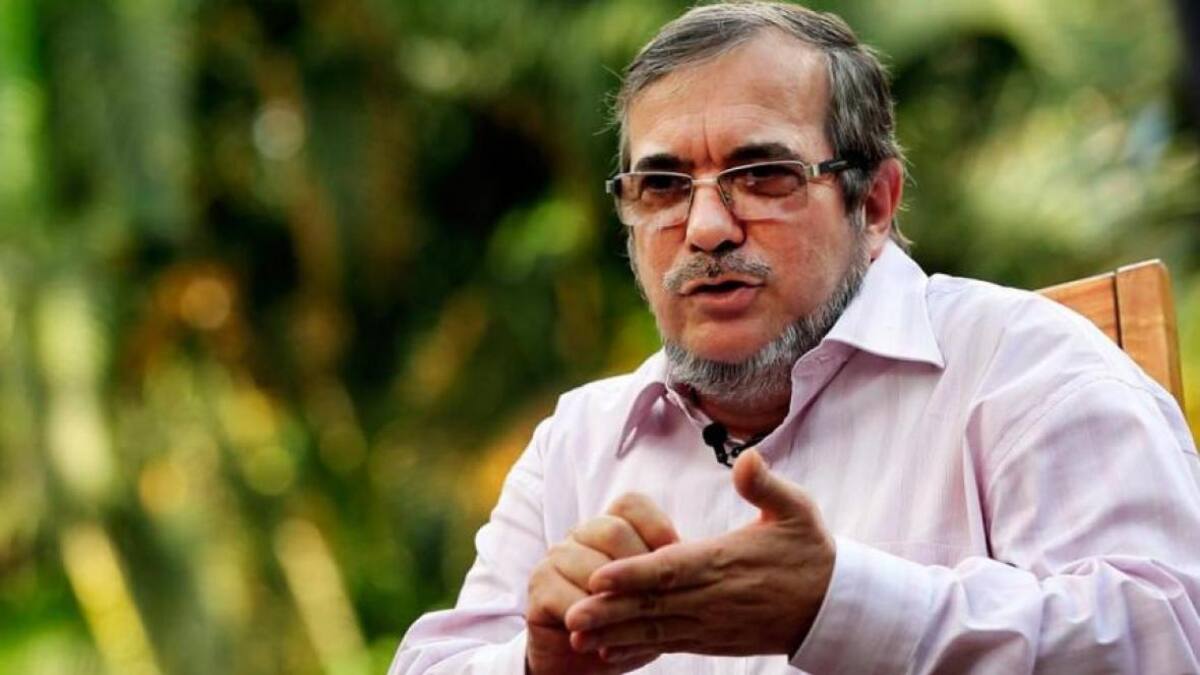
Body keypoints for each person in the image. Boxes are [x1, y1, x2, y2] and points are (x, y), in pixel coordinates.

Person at [390, 2, 1200, 673]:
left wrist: (841, 604)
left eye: (763, 175)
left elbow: (1167, 636)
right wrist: (539, 665)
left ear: (874, 204)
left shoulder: (1023, 366)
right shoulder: (579, 443)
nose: (706, 227)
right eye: (662, 185)